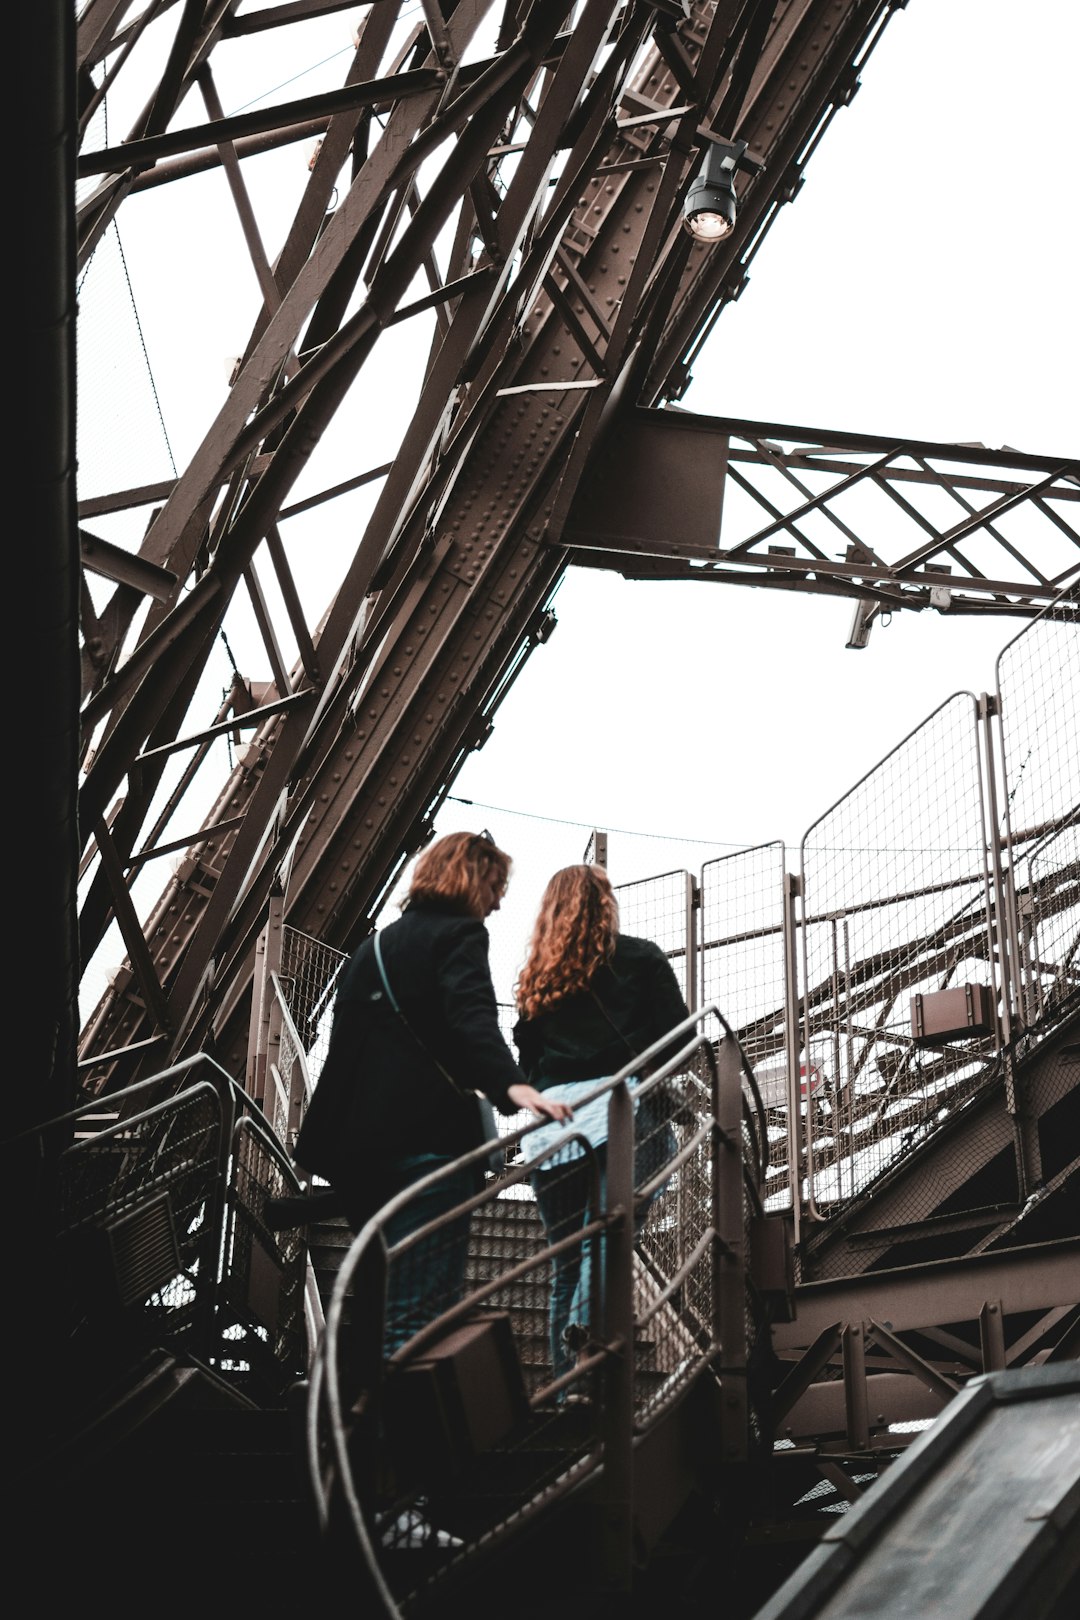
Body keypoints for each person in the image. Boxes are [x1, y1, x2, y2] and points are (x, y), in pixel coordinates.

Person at [284, 830, 572, 1355]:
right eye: (494, 885)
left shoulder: (371, 947)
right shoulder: (460, 935)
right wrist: (516, 1087)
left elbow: (349, 1046)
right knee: (418, 1313)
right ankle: (398, 1432)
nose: (499, 899)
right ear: (468, 879)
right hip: (426, 1150)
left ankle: (352, 1419)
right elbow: (472, 1020)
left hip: (355, 1156)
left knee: (375, 1299)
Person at [512, 864, 691, 1388]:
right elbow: (679, 1044)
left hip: (551, 1132)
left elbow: (529, 1063)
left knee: (566, 1265)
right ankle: (589, 1351)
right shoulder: (639, 958)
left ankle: (571, 1389)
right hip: (621, 1113)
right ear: (606, 903)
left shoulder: (536, 979)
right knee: (607, 1244)